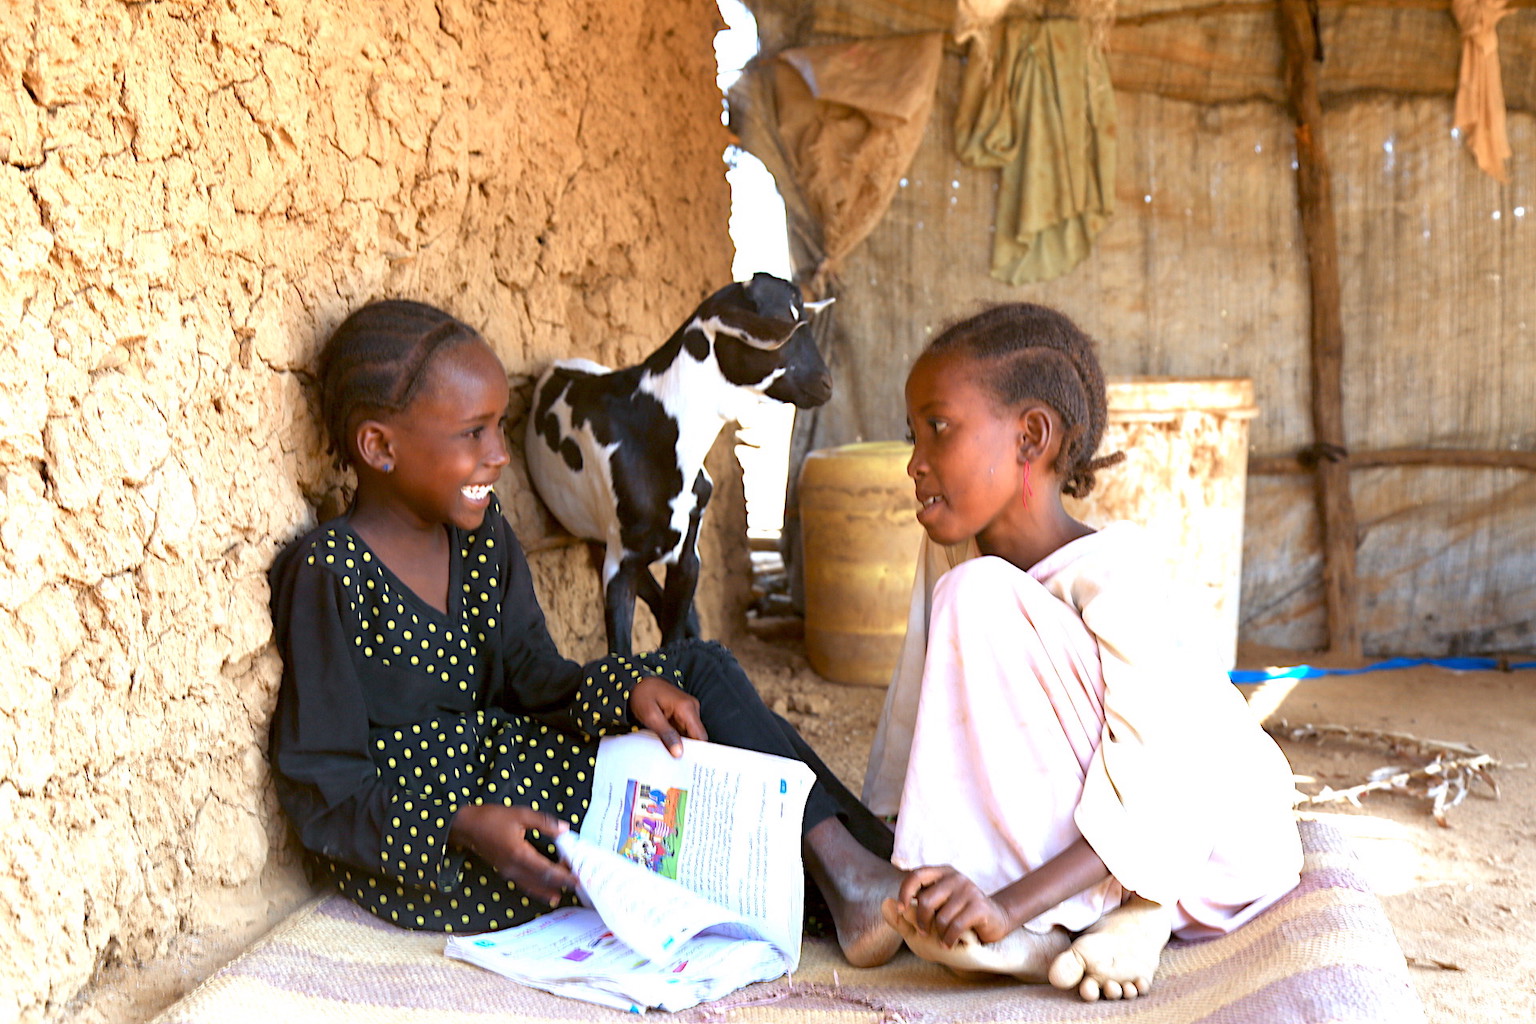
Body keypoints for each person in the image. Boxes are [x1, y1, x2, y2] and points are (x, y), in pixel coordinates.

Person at [267, 299, 902, 963]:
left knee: (696, 671)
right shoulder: (330, 572)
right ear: (379, 447)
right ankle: (864, 887)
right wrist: (459, 825)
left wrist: (629, 692)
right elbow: (324, 788)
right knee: (673, 817)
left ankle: (860, 866)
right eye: (474, 433)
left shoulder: (481, 537)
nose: (501, 456)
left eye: (500, 429)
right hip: (447, 836)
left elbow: (534, 678)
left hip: (513, 762)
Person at [864, 303, 1302, 1001]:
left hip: (1214, 834)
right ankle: (1076, 921)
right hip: (1109, 836)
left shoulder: (1116, 572)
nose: (915, 464)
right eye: (911, 435)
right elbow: (924, 707)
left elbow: (1161, 774)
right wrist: (896, 851)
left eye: (938, 429)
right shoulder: (949, 549)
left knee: (976, 593)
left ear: (1030, 437)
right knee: (972, 595)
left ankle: (1132, 915)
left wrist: (1003, 905)